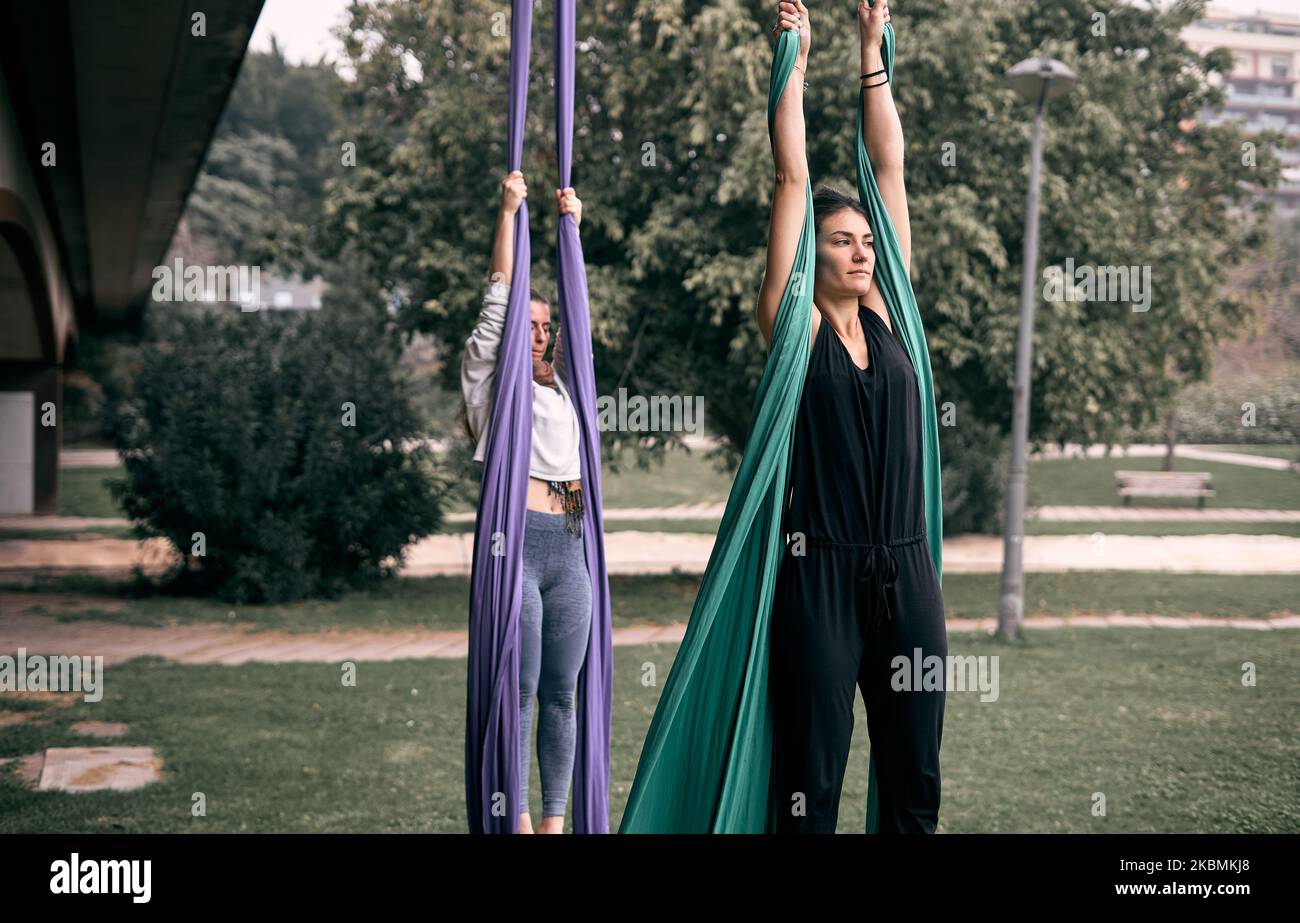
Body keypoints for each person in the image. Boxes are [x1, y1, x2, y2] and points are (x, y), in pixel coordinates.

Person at [756, 0, 947, 833]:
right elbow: (793, 179)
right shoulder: (791, 329)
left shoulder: (895, 318)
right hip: (822, 575)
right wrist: (793, 66)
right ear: (813, 256)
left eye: (867, 240)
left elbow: (890, 167)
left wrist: (872, 52)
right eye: (842, 240)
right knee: (813, 774)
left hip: (909, 576)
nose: (862, 249)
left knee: (915, 771)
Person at [460, 170, 593, 834]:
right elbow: (496, 303)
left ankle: (554, 822)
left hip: (571, 548)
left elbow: (579, 315)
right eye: (530, 323)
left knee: (563, 695)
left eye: (546, 325)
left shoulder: (565, 388)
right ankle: (510, 819)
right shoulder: (492, 382)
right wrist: (510, 215)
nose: (538, 333)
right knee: (518, 690)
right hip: (517, 544)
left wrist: (573, 230)